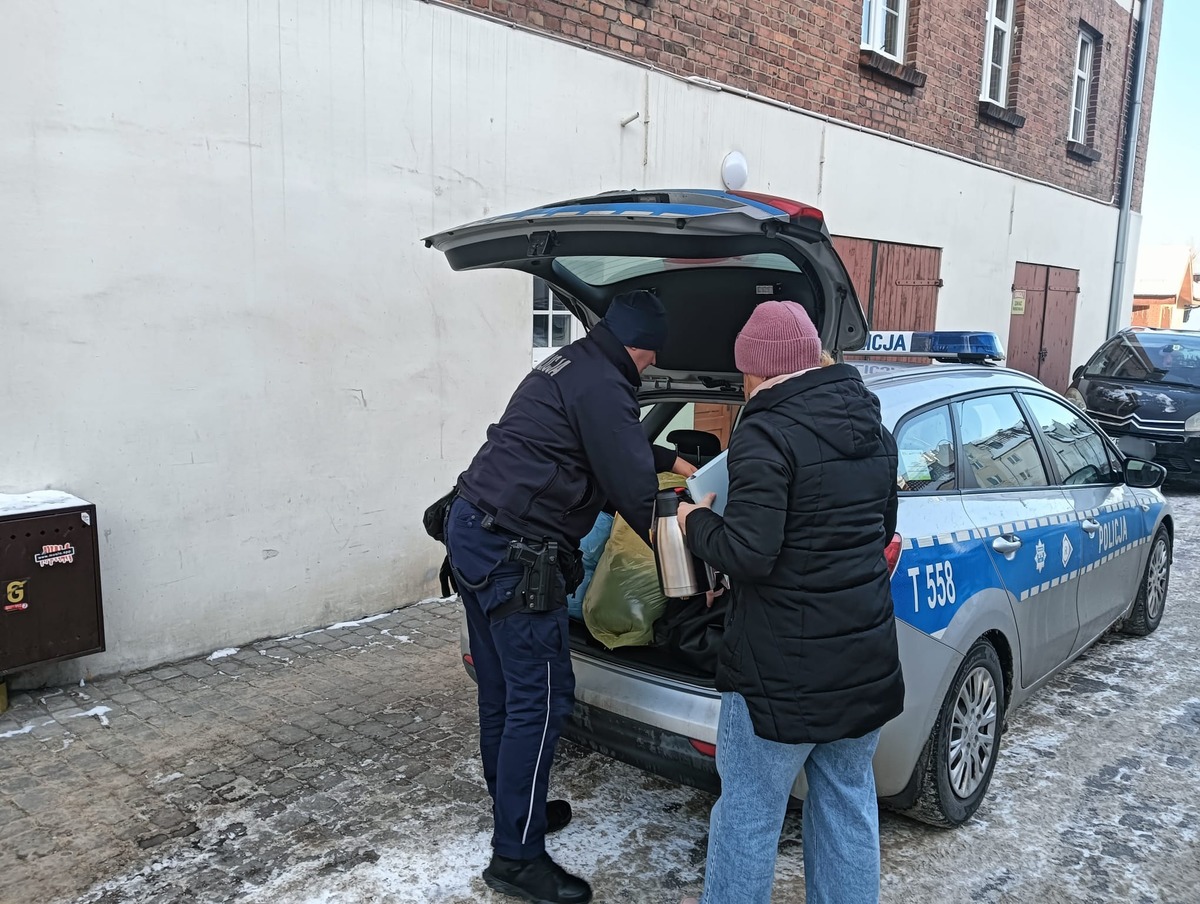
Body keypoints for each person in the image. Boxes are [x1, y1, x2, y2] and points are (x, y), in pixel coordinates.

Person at [445, 289, 693, 904]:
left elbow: (606, 440)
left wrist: (673, 458)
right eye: (652, 360)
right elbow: (635, 492)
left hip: (473, 531)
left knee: (503, 691)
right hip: (515, 555)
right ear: (642, 350)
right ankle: (516, 858)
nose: (650, 369)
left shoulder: (572, 363)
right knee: (541, 700)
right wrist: (699, 563)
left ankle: (515, 810)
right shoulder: (606, 384)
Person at [675, 300, 905, 904]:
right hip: (862, 661)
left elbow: (751, 553)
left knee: (749, 816)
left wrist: (694, 521)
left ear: (756, 370)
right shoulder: (876, 431)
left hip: (778, 674)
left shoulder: (765, 431)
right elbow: (880, 534)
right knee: (848, 806)